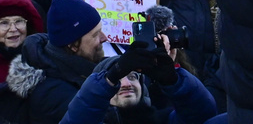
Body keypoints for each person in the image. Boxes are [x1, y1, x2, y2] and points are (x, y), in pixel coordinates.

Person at [0, 0, 107, 124]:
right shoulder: (52, 93)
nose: (104, 38)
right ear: (72, 45)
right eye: (95, 35)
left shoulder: (75, 68)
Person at [59, 37, 217, 124]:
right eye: (118, 80)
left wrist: (175, 82)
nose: (126, 84)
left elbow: (202, 115)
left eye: (133, 77)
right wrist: (109, 78)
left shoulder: (163, 120)